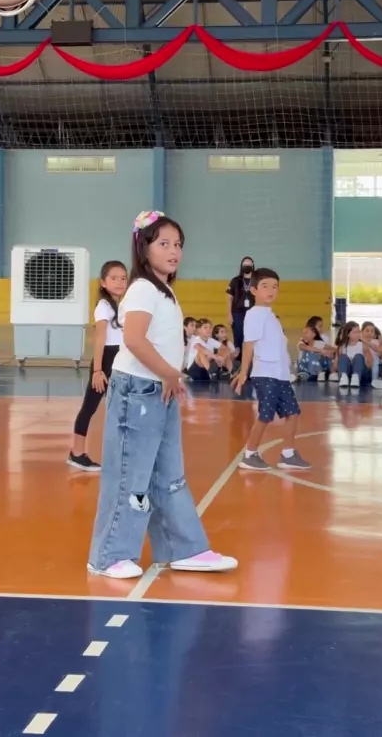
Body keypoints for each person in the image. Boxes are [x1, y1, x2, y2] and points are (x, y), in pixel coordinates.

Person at [88, 210, 237, 579]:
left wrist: (170, 377)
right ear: (144, 248)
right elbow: (134, 339)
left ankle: (183, 548)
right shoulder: (141, 288)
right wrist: (170, 372)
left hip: (159, 389)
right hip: (137, 391)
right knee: (129, 476)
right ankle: (107, 556)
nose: (174, 251)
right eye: (164, 243)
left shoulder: (163, 290)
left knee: (169, 475)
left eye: (178, 244)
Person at [232, 267, 311, 471]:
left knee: (292, 412)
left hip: (280, 375)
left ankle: (288, 454)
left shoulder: (271, 316)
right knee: (265, 415)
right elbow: (249, 344)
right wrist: (243, 372)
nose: (271, 291)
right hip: (265, 374)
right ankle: (250, 454)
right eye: (265, 286)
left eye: (275, 287)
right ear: (254, 290)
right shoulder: (254, 314)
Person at [68, 260, 128, 472]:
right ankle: (77, 453)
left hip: (120, 360)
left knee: (122, 408)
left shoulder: (120, 305)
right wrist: (97, 370)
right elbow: (100, 338)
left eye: (123, 278)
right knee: (90, 407)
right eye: (114, 278)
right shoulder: (103, 306)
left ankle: (123, 454)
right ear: (103, 282)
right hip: (106, 361)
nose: (119, 282)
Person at [226, 256, 255, 354]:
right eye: (245, 264)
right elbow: (229, 298)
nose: (247, 265)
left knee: (251, 338)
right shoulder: (235, 281)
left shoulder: (257, 281)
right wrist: (229, 314)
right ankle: (238, 360)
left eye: (249, 264)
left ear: (253, 266)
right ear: (241, 266)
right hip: (237, 313)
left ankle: (251, 360)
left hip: (253, 313)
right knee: (238, 337)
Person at [336, 321, 373, 388]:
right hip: (349, 373)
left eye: (359, 332)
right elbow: (335, 366)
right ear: (348, 334)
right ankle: (344, 377)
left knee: (358, 357)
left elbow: (370, 364)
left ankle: (356, 377)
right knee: (343, 357)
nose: (358, 334)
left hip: (362, 374)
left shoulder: (363, 345)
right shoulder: (342, 347)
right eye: (355, 332)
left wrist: (357, 364)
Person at [360, 321, 382, 390]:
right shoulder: (359, 342)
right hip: (365, 367)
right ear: (362, 332)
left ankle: (377, 380)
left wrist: (380, 344)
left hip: (377, 366)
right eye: (367, 331)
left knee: (377, 361)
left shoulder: (376, 342)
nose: (370, 333)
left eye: (372, 331)